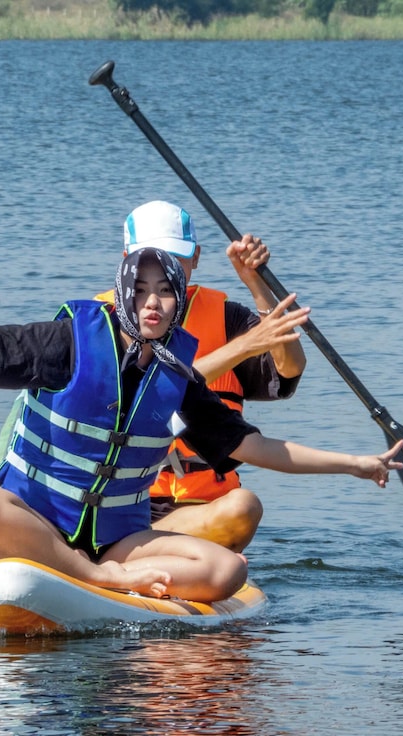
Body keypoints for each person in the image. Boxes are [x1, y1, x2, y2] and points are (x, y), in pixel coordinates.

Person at [0, 247, 403, 603]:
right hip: (36, 523)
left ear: (179, 301)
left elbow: (253, 446)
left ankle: (99, 571)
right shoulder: (71, 339)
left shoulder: (177, 377)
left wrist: (355, 464)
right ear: (121, 294)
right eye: (138, 291)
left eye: (164, 291)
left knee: (227, 571)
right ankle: (96, 580)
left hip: (115, 539)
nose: (151, 303)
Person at [95, 200, 307, 552]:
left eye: (175, 258)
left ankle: (157, 553)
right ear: (126, 260)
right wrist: (243, 347)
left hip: (204, 507)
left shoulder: (227, 318)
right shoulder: (98, 322)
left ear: (195, 257)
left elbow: (289, 370)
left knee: (243, 508)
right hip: (121, 503)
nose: (165, 269)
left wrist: (257, 285)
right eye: (150, 258)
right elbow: (144, 386)